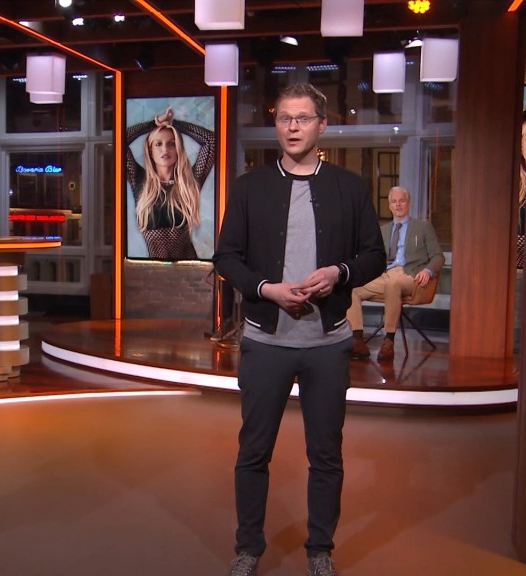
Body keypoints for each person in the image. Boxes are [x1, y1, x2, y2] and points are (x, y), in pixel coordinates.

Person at [213, 83, 386, 576]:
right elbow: (226, 257)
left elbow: (374, 255)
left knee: (326, 454)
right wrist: (266, 289)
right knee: (253, 452)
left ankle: (320, 551)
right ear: (277, 125)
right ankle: (248, 548)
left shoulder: (348, 187)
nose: (293, 127)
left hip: (327, 344)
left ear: (321, 125)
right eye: (285, 118)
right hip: (265, 342)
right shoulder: (249, 187)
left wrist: (338, 274)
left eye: (303, 118)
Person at [348, 186, 445, 361]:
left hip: (411, 275)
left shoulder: (423, 227)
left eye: (402, 201)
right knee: (352, 288)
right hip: (385, 274)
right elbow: (373, 256)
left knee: (393, 284)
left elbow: (438, 256)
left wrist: (428, 271)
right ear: (390, 206)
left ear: (408, 203)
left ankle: (389, 340)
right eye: (394, 202)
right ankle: (358, 341)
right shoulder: (383, 230)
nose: (398, 205)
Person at [125, 106, 215, 259]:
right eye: (158, 144)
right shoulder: (140, 180)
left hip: (188, 266)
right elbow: (120, 138)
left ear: (178, 148)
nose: (165, 149)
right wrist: (155, 123)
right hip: (154, 269)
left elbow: (211, 141)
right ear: (150, 150)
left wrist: (174, 124)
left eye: (171, 144)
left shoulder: (188, 181)